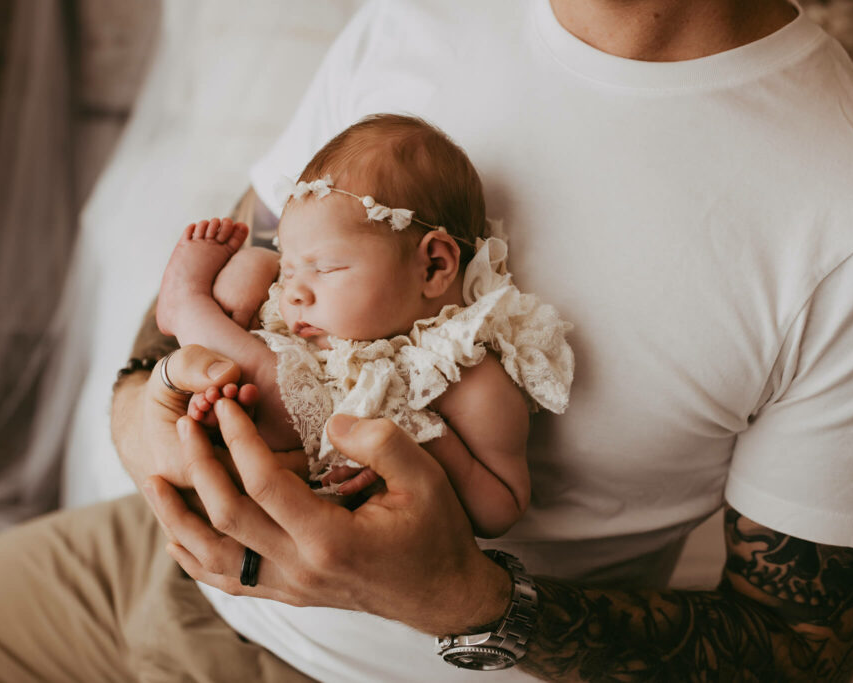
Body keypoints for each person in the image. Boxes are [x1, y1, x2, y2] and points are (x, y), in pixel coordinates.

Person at [0, 0, 853, 681]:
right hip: (154, 556)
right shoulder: (421, 16)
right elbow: (243, 261)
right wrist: (135, 411)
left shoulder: (843, 204)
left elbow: (797, 650)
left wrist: (465, 598)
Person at [155, 114, 573, 537]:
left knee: (269, 379)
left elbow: (503, 507)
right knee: (252, 272)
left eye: (328, 267)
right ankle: (224, 414)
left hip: (331, 512)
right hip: (263, 479)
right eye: (291, 266)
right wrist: (260, 274)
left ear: (433, 266)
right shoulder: (314, 316)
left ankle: (189, 306)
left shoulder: (466, 379)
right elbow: (284, 286)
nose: (295, 292)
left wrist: (425, 437)